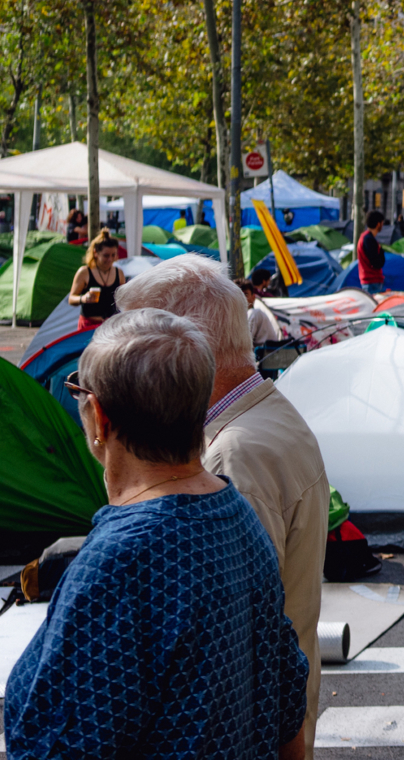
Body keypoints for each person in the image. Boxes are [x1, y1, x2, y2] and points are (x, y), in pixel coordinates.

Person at [4, 308, 309, 760]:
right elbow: (287, 709)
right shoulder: (237, 515)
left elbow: (59, 746)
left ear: (101, 418)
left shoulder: (117, 564)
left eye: (78, 394)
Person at [120, 256, 329, 758]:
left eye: (141, 345)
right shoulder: (262, 417)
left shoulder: (233, 451)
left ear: (187, 344)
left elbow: (232, 633)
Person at [68, 227, 126, 330]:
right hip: (88, 325)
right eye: (106, 255)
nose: (110, 259)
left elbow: (123, 299)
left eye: (113, 255)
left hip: (110, 326)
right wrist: (83, 298)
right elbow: (71, 299)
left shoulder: (119, 273)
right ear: (95, 253)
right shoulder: (85, 272)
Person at [237, 279, 284, 345]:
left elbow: (243, 343)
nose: (242, 299)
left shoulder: (254, 313)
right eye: (239, 295)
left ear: (253, 297)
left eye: (246, 295)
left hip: (266, 353)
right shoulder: (241, 317)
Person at [355, 209, 387, 294]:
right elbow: (377, 263)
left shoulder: (364, 237)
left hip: (368, 281)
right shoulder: (369, 239)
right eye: (382, 222)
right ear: (378, 224)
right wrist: (381, 251)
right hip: (372, 281)